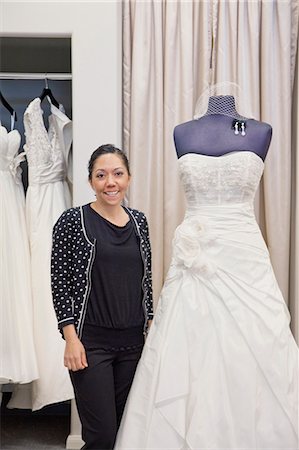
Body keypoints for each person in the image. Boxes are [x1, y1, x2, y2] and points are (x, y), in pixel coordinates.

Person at [114, 96, 298, 449]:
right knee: (188, 344)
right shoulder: (181, 132)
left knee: (251, 346)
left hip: (243, 255)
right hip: (193, 258)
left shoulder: (262, 131)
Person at [51, 144, 153, 450]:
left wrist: (150, 324)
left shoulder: (139, 222)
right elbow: (60, 283)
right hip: (90, 345)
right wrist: (70, 337)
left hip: (134, 345)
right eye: (101, 175)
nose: (111, 182)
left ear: (129, 178)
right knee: (101, 436)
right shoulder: (73, 220)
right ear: (91, 182)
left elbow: (145, 280)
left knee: (126, 432)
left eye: (117, 174)